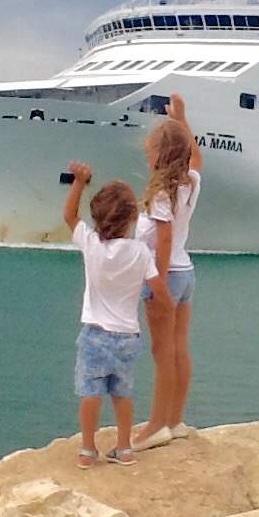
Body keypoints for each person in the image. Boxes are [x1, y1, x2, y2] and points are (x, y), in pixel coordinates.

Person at [63, 161, 172, 469]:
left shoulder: (92, 244)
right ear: (133, 218)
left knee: (90, 394)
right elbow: (160, 292)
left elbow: (70, 216)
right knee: (122, 395)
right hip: (128, 337)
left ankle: (87, 450)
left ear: (97, 218)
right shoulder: (139, 252)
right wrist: (162, 307)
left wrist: (80, 182)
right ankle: (124, 448)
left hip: (94, 335)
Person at [132, 93, 203, 451]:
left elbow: (163, 239)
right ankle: (175, 420)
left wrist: (157, 284)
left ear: (161, 155)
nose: (146, 157)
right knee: (179, 350)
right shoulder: (190, 181)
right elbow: (198, 157)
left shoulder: (163, 194)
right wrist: (182, 120)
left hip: (167, 275)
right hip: (186, 273)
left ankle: (156, 426)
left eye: (149, 152)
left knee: (162, 354)